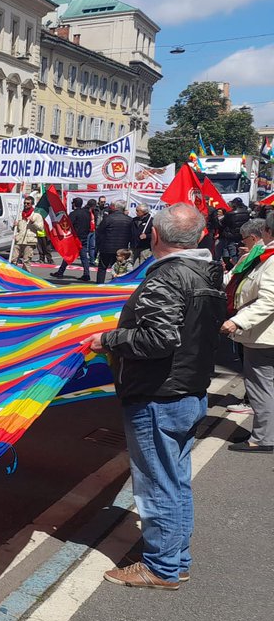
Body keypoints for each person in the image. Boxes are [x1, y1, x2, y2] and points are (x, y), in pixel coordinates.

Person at [86, 204, 225, 590]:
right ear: (199, 237)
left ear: (155, 236)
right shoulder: (208, 272)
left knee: (155, 484)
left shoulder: (168, 278)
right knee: (175, 480)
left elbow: (159, 339)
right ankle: (175, 559)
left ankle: (161, 567)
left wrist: (107, 339)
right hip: (189, 389)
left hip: (158, 395)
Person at [220, 211, 274, 452]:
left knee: (261, 387)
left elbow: (268, 299)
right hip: (262, 333)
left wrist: (238, 321)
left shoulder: (271, 260)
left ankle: (264, 438)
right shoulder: (264, 256)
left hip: (263, 335)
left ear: (267, 232)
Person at [50, 196, 93, 281]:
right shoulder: (87, 213)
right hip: (84, 237)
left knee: (68, 255)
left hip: (75, 238)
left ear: (74, 204)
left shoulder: (74, 214)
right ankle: (86, 274)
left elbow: (68, 225)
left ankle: (61, 272)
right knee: (83, 257)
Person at [94, 200, 136, 284]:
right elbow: (132, 234)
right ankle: (115, 284)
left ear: (115, 208)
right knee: (118, 268)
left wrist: (98, 245)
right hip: (121, 248)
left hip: (107, 247)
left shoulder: (108, 218)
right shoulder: (129, 220)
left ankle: (99, 285)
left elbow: (99, 232)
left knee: (103, 268)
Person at [12, 194, 44, 270]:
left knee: (26, 261)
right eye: (25, 203)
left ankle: (26, 278)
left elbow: (41, 228)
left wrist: (33, 222)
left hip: (29, 241)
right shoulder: (20, 214)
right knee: (13, 259)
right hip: (19, 239)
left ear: (32, 204)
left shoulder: (36, 215)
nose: (26, 205)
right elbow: (15, 229)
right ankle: (13, 276)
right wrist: (14, 226)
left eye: (28, 203)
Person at [218, 198, 251, 268]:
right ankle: (235, 265)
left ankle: (234, 267)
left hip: (231, 235)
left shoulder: (230, 213)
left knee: (231, 251)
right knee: (238, 251)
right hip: (242, 234)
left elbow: (223, 223)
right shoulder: (247, 212)